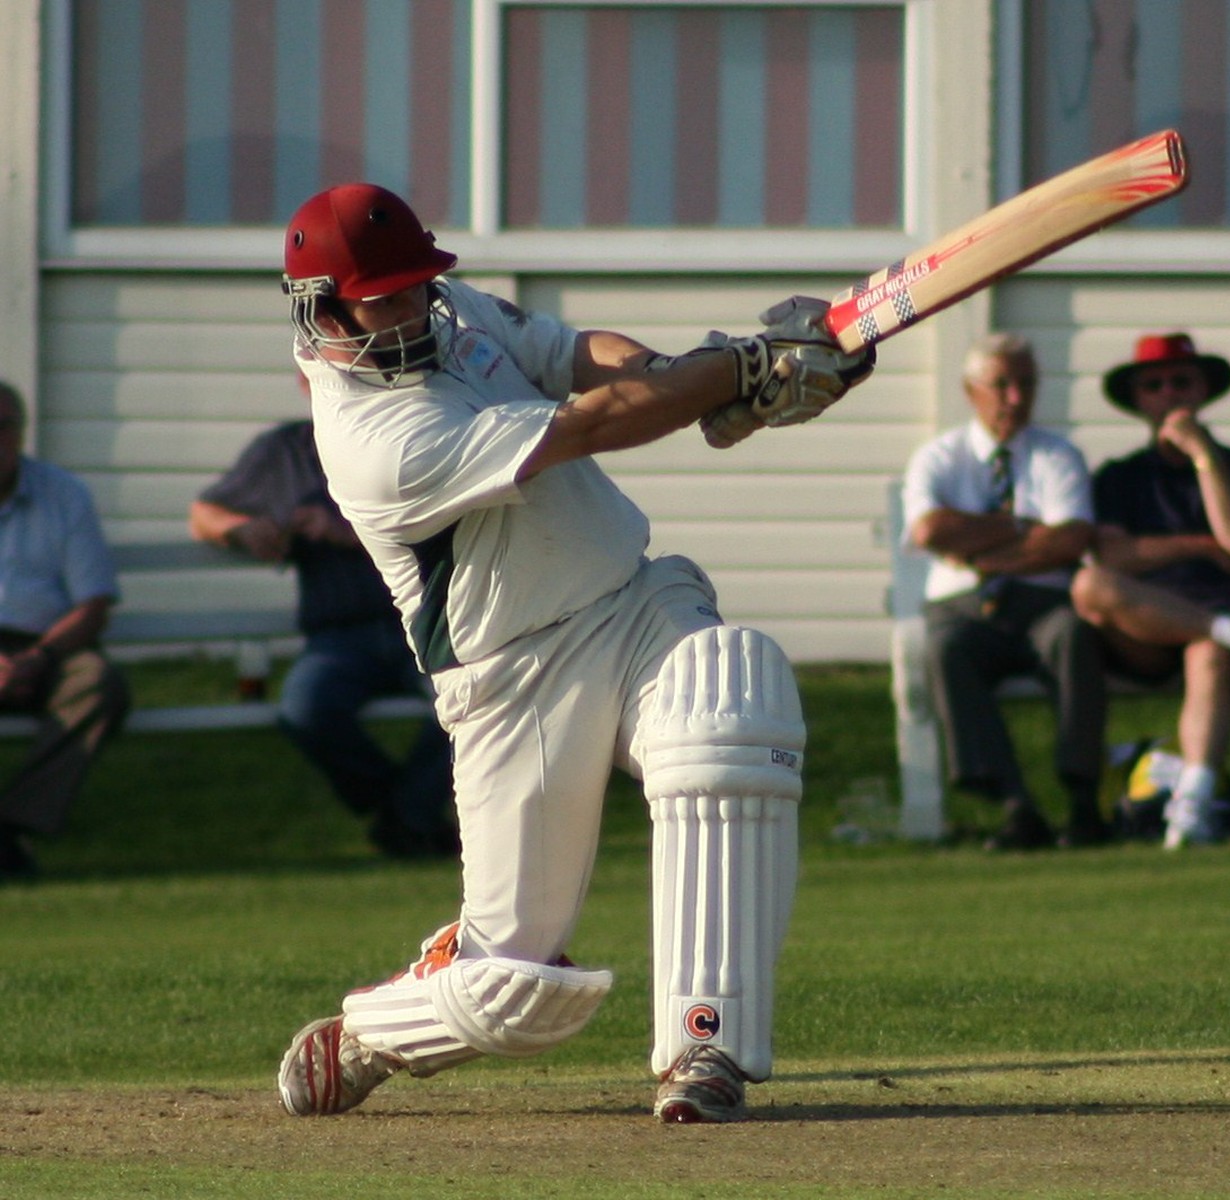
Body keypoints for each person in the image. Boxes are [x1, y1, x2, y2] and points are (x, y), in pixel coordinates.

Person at [272, 183, 873, 1123]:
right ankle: (374, 1030)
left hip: (630, 598)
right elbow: (590, 424)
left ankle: (706, 1047)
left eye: (415, 286)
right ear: (322, 310)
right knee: (511, 993)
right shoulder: (372, 440)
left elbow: (577, 357)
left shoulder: (450, 310)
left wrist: (691, 374)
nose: (409, 311)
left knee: (730, 699)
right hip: (515, 680)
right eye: (381, 300)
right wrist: (739, 370)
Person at [1071, 332, 1230, 849]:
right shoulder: (1119, 476)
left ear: (1202, 390)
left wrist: (1202, 454)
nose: (1169, 394)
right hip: (1149, 627)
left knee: (1208, 651)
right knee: (1089, 587)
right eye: (1154, 385)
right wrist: (1199, 545)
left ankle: (1193, 806)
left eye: (1181, 382)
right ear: (1139, 399)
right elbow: (1113, 557)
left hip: (1220, 629)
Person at [189, 410, 458, 859]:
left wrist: (346, 531)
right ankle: (404, 810)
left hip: (424, 627)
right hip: (339, 638)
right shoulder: (285, 450)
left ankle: (407, 818)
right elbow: (202, 515)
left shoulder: (410, 436)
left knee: (465, 706)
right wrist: (240, 530)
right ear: (304, 380)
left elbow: (448, 520)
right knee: (304, 709)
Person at [901, 333, 1108, 851]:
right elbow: (929, 530)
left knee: (1073, 635)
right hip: (962, 608)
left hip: (1042, 604)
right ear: (971, 391)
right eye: (1001, 385)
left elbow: (1070, 539)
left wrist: (979, 551)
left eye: (1026, 384)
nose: (1015, 398)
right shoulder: (938, 457)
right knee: (945, 649)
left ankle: (1083, 796)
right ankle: (1015, 804)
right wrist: (1021, 527)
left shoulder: (1058, 455)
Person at [0, 382, 131, 880]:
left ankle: (12, 826)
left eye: (3, 427)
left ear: (21, 433)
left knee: (97, 684)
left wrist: (38, 659)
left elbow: (93, 604)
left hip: (47, 648)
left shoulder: (63, 494)